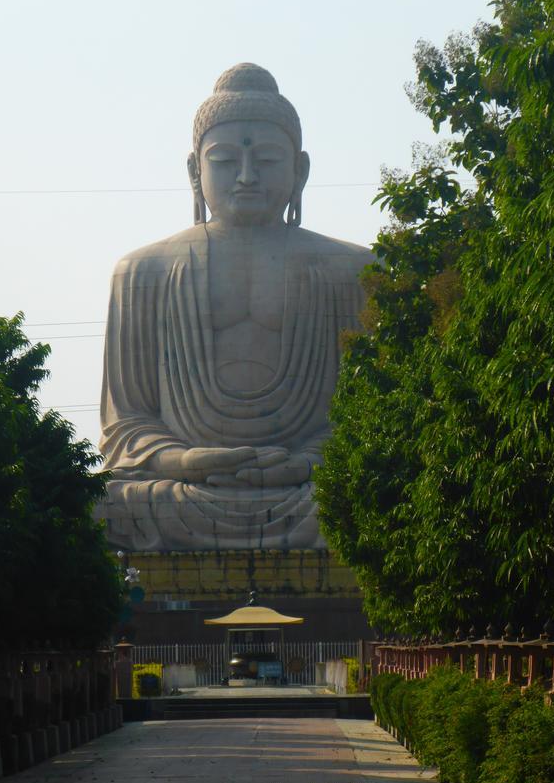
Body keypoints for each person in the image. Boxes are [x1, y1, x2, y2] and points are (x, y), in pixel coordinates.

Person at [98, 63, 371, 550]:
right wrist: (186, 461)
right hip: (186, 492)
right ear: (193, 170)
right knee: (100, 504)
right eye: (224, 161)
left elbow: (373, 414)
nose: (246, 177)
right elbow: (126, 423)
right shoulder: (142, 271)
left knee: (376, 498)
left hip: (310, 490)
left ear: (300, 170)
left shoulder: (351, 270)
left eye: (267, 160)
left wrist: (308, 462)